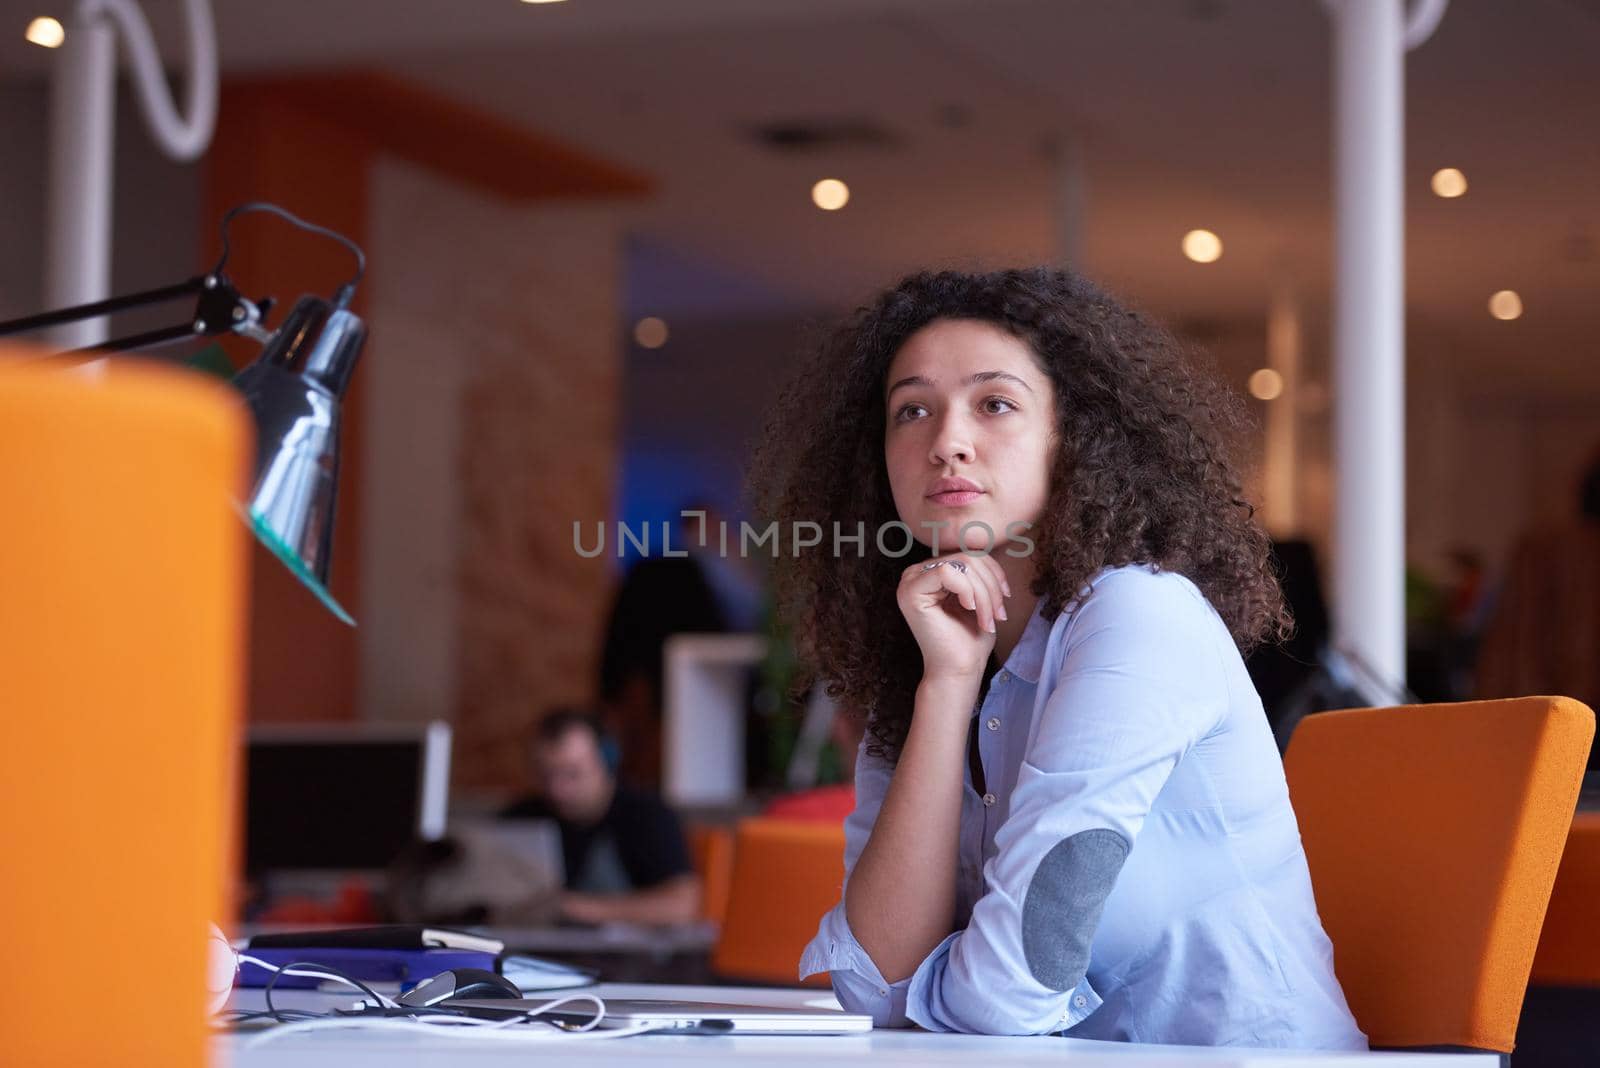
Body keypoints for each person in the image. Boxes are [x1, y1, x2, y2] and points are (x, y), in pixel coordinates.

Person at [745, 268, 1366, 1047]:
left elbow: (1009, 995)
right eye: (912, 411)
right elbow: (876, 984)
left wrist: (934, 976)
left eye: (995, 404)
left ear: (1075, 438)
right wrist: (947, 685)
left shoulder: (1138, 617)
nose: (946, 443)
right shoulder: (923, 651)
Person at [500, 708, 700, 925]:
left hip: (626, 957)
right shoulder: (521, 817)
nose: (557, 790)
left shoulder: (648, 816)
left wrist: (574, 908)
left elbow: (682, 906)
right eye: (546, 775)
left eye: (573, 774)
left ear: (608, 761)